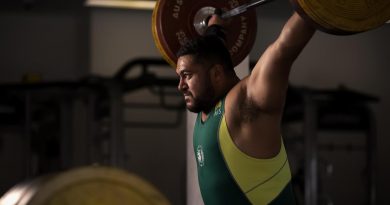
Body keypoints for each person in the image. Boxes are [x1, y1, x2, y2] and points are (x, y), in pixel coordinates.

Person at [176, 10, 316, 205]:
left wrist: (312, 8)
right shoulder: (207, 109)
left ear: (216, 74)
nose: (180, 85)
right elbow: (213, 51)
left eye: (187, 75)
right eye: (180, 77)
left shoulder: (244, 102)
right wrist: (215, 28)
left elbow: (283, 49)